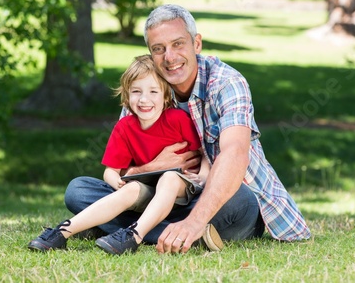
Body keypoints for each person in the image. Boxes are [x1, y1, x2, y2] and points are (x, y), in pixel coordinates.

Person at [64, 4, 311, 254]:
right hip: (159, 196)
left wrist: (194, 220)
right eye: (158, 49)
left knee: (241, 199)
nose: (169, 57)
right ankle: (168, 232)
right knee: (78, 190)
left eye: (178, 44)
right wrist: (152, 168)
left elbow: (235, 153)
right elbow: (121, 169)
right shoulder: (145, 90)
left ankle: (125, 227)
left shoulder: (227, 83)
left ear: (197, 44)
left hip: (222, 199)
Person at [28, 55, 222, 255]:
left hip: (184, 190)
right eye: (136, 92)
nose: (144, 99)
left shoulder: (178, 119)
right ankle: (61, 232)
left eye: (153, 92)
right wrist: (119, 184)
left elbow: (204, 152)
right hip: (148, 190)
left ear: (165, 96)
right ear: (127, 95)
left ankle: (133, 235)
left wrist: (204, 175)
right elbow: (110, 172)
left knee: (170, 177)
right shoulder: (125, 127)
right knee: (93, 189)